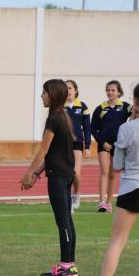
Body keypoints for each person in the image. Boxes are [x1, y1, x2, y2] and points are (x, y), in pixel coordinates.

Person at [78, 81, 139, 276]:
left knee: (117, 242)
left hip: (133, 185)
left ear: (135, 101)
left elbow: (116, 166)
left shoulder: (128, 128)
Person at [21, 79, 77, 276]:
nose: (41, 96)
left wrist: (29, 172)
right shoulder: (62, 116)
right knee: (67, 220)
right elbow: (55, 153)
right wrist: (37, 173)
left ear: (52, 95)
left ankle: (66, 267)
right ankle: (69, 265)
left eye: (44, 93)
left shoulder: (54, 118)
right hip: (64, 173)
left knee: (62, 220)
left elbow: (43, 149)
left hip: (60, 177)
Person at [91, 80, 132, 213]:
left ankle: (109, 202)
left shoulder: (126, 107)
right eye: (108, 90)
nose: (110, 92)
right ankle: (101, 202)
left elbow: (138, 113)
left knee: (113, 174)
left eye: (113, 90)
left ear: (119, 92)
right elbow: (93, 128)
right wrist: (102, 142)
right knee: (104, 172)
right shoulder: (100, 108)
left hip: (119, 144)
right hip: (104, 144)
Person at [65, 80, 91, 211]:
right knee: (66, 173)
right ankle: (68, 201)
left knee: (75, 172)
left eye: (70, 88)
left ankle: (76, 194)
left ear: (75, 90)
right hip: (63, 143)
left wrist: (87, 147)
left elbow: (87, 128)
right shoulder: (59, 106)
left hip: (77, 143)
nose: (68, 90)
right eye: (66, 88)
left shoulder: (82, 106)